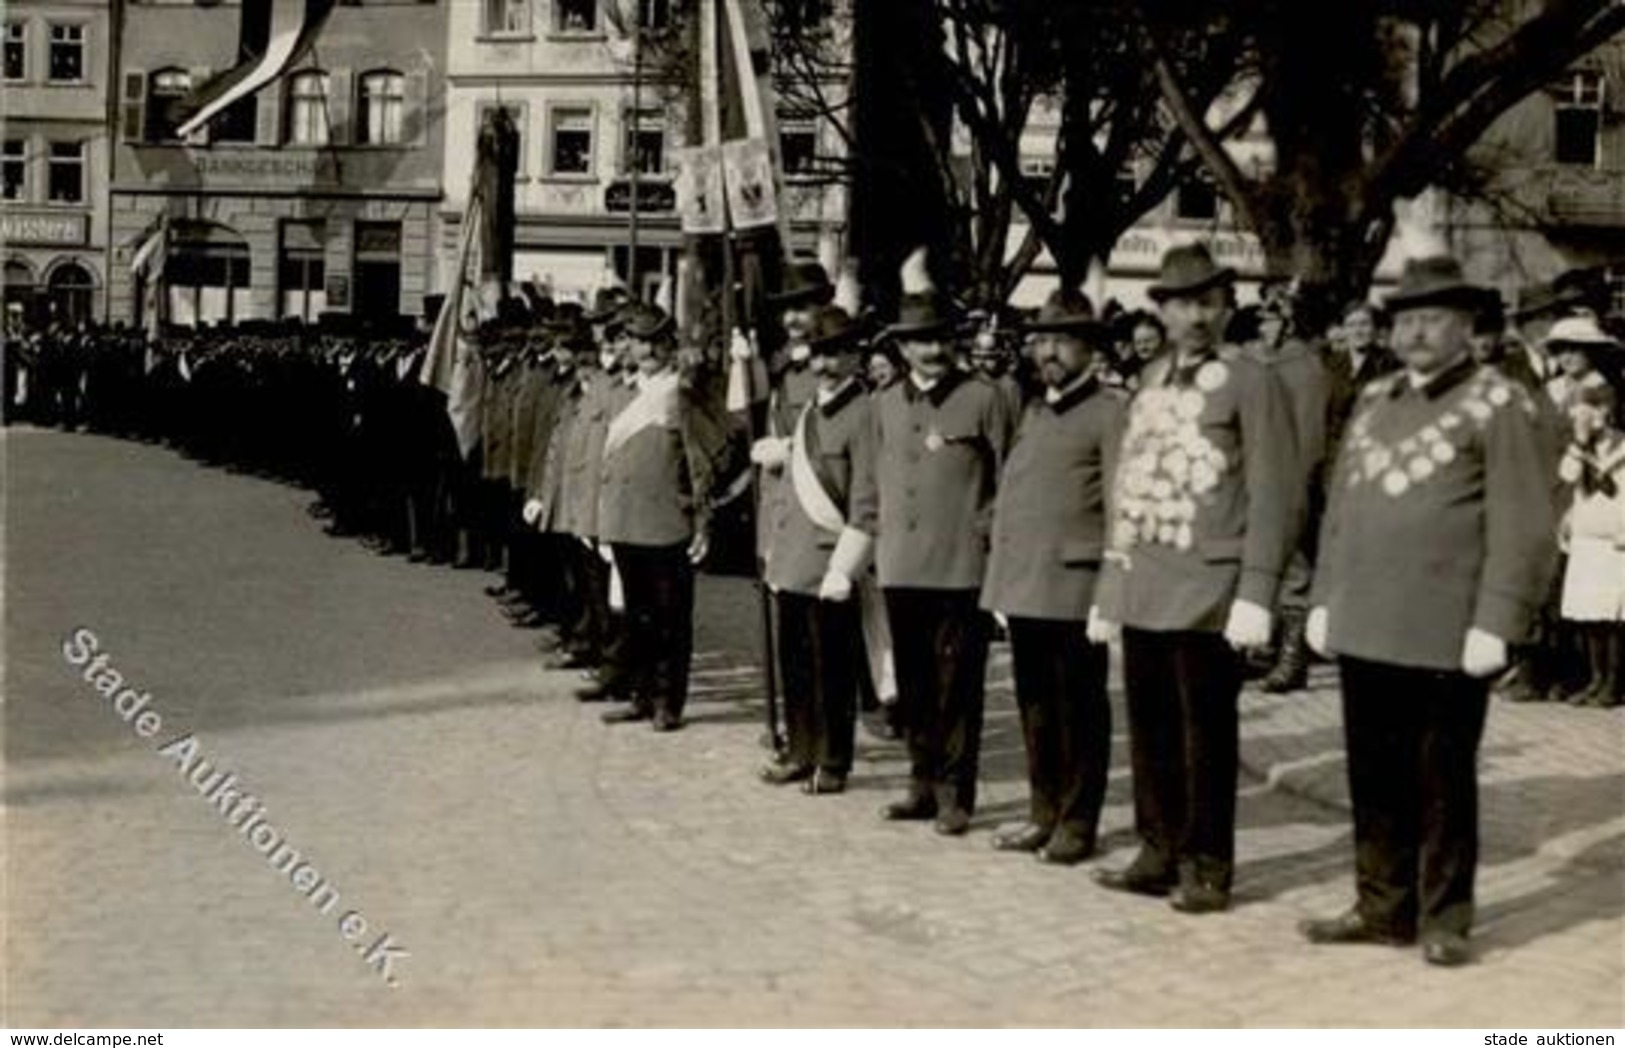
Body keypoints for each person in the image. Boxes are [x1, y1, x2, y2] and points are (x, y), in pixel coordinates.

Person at [1301, 254, 1559, 967]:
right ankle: (1381, 905)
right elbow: (1340, 512)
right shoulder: (1375, 398)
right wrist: (1323, 598)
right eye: (1405, 319)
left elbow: (1525, 521)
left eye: (1432, 319)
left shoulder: (1497, 402)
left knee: (1441, 781)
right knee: (1371, 774)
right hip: (1365, 624)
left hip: (1448, 630)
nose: (1415, 333)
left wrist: (1499, 618)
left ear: (1463, 324)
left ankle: (1444, 916)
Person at [1089, 244, 1301, 914]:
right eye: (1182, 303)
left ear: (1225, 306)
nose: (1196, 315)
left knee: (1204, 735)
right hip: (1147, 581)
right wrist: (1109, 587)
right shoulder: (1149, 380)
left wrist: (1257, 591)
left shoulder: (1250, 378)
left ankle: (1207, 863)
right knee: (1150, 728)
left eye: (1208, 301)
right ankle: (1157, 849)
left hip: (1210, 587)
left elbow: (1275, 488)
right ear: (1161, 311)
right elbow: (1129, 485)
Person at [981, 288, 1124, 865]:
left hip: (1075, 589)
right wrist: (999, 584)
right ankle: (1043, 811)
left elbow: (1120, 507)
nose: (1051, 352)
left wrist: (1111, 594)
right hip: (1026, 588)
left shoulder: (1110, 413)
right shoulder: (1036, 410)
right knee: (1035, 706)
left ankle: (1078, 821)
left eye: (1064, 341)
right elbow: (1013, 500)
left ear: (1089, 348)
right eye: (1043, 340)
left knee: (1080, 710)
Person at [873, 252, 1013, 836]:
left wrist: (996, 560)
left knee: (959, 688)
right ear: (902, 348)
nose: (931, 350)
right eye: (919, 342)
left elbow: (1007, 483)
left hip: (961, 570)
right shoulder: (882, 402)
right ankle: (921, 782)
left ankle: (957, 793)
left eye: (939, 340)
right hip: (901, 567)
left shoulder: (984, 398)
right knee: (915, 684)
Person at [757, 304, 880, 794]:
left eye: (836, 354)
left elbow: (867, 496)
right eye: (819, 355)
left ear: (855, 356)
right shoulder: (810, 408)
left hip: (832, 563)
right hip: (792, 561)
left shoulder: (864, 414)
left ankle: (833, 760)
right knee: (797, 665)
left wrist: (846, 567)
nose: (825, 365)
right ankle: (800, 749)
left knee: (834, 671)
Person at [596, 304, 713, 732]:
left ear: (666, 345)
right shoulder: (620, 392)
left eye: (651, 341)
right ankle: (640, 694)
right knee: (637, 618)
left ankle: (668, 701)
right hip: (626, 520)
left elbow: (698, 463)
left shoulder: (680, 394)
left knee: (670, 621)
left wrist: (702, 522)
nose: (643, 349)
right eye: (637, 340)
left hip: (666, 521)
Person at [1555, 378, 1625, 708]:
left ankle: (1613, 682)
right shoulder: (1580, 447)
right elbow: (1568, 476)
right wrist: (1580, 443)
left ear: (1604, 411)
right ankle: (1595, 679)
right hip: (1586, 539)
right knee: (1588, 614)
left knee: (1612, 616)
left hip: (1614, 542)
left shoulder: (1622, 447)